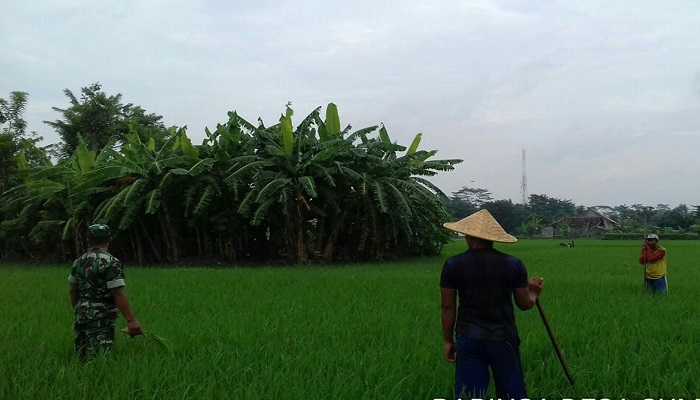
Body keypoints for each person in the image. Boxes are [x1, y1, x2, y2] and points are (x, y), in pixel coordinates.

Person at [440, 209, 543, 399]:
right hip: (504, 338)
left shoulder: (453, 265)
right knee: (511, 393)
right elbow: (524, 304)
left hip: (468, 338)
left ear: (469, 236)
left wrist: (448, 340)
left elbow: (447, 306)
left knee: (470, 394)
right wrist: (534, 293)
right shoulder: (514, 264)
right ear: (493, 238)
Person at [68, 224, 142, 361]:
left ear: (88, 240)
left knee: (82, 357)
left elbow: (73, 290)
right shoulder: (111, 262)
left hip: (81, 313)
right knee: (99, 359)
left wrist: (80, 309)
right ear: (110, 239)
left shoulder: (78, 261)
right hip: (101, 317)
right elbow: (117, 293)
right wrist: (131, 321)